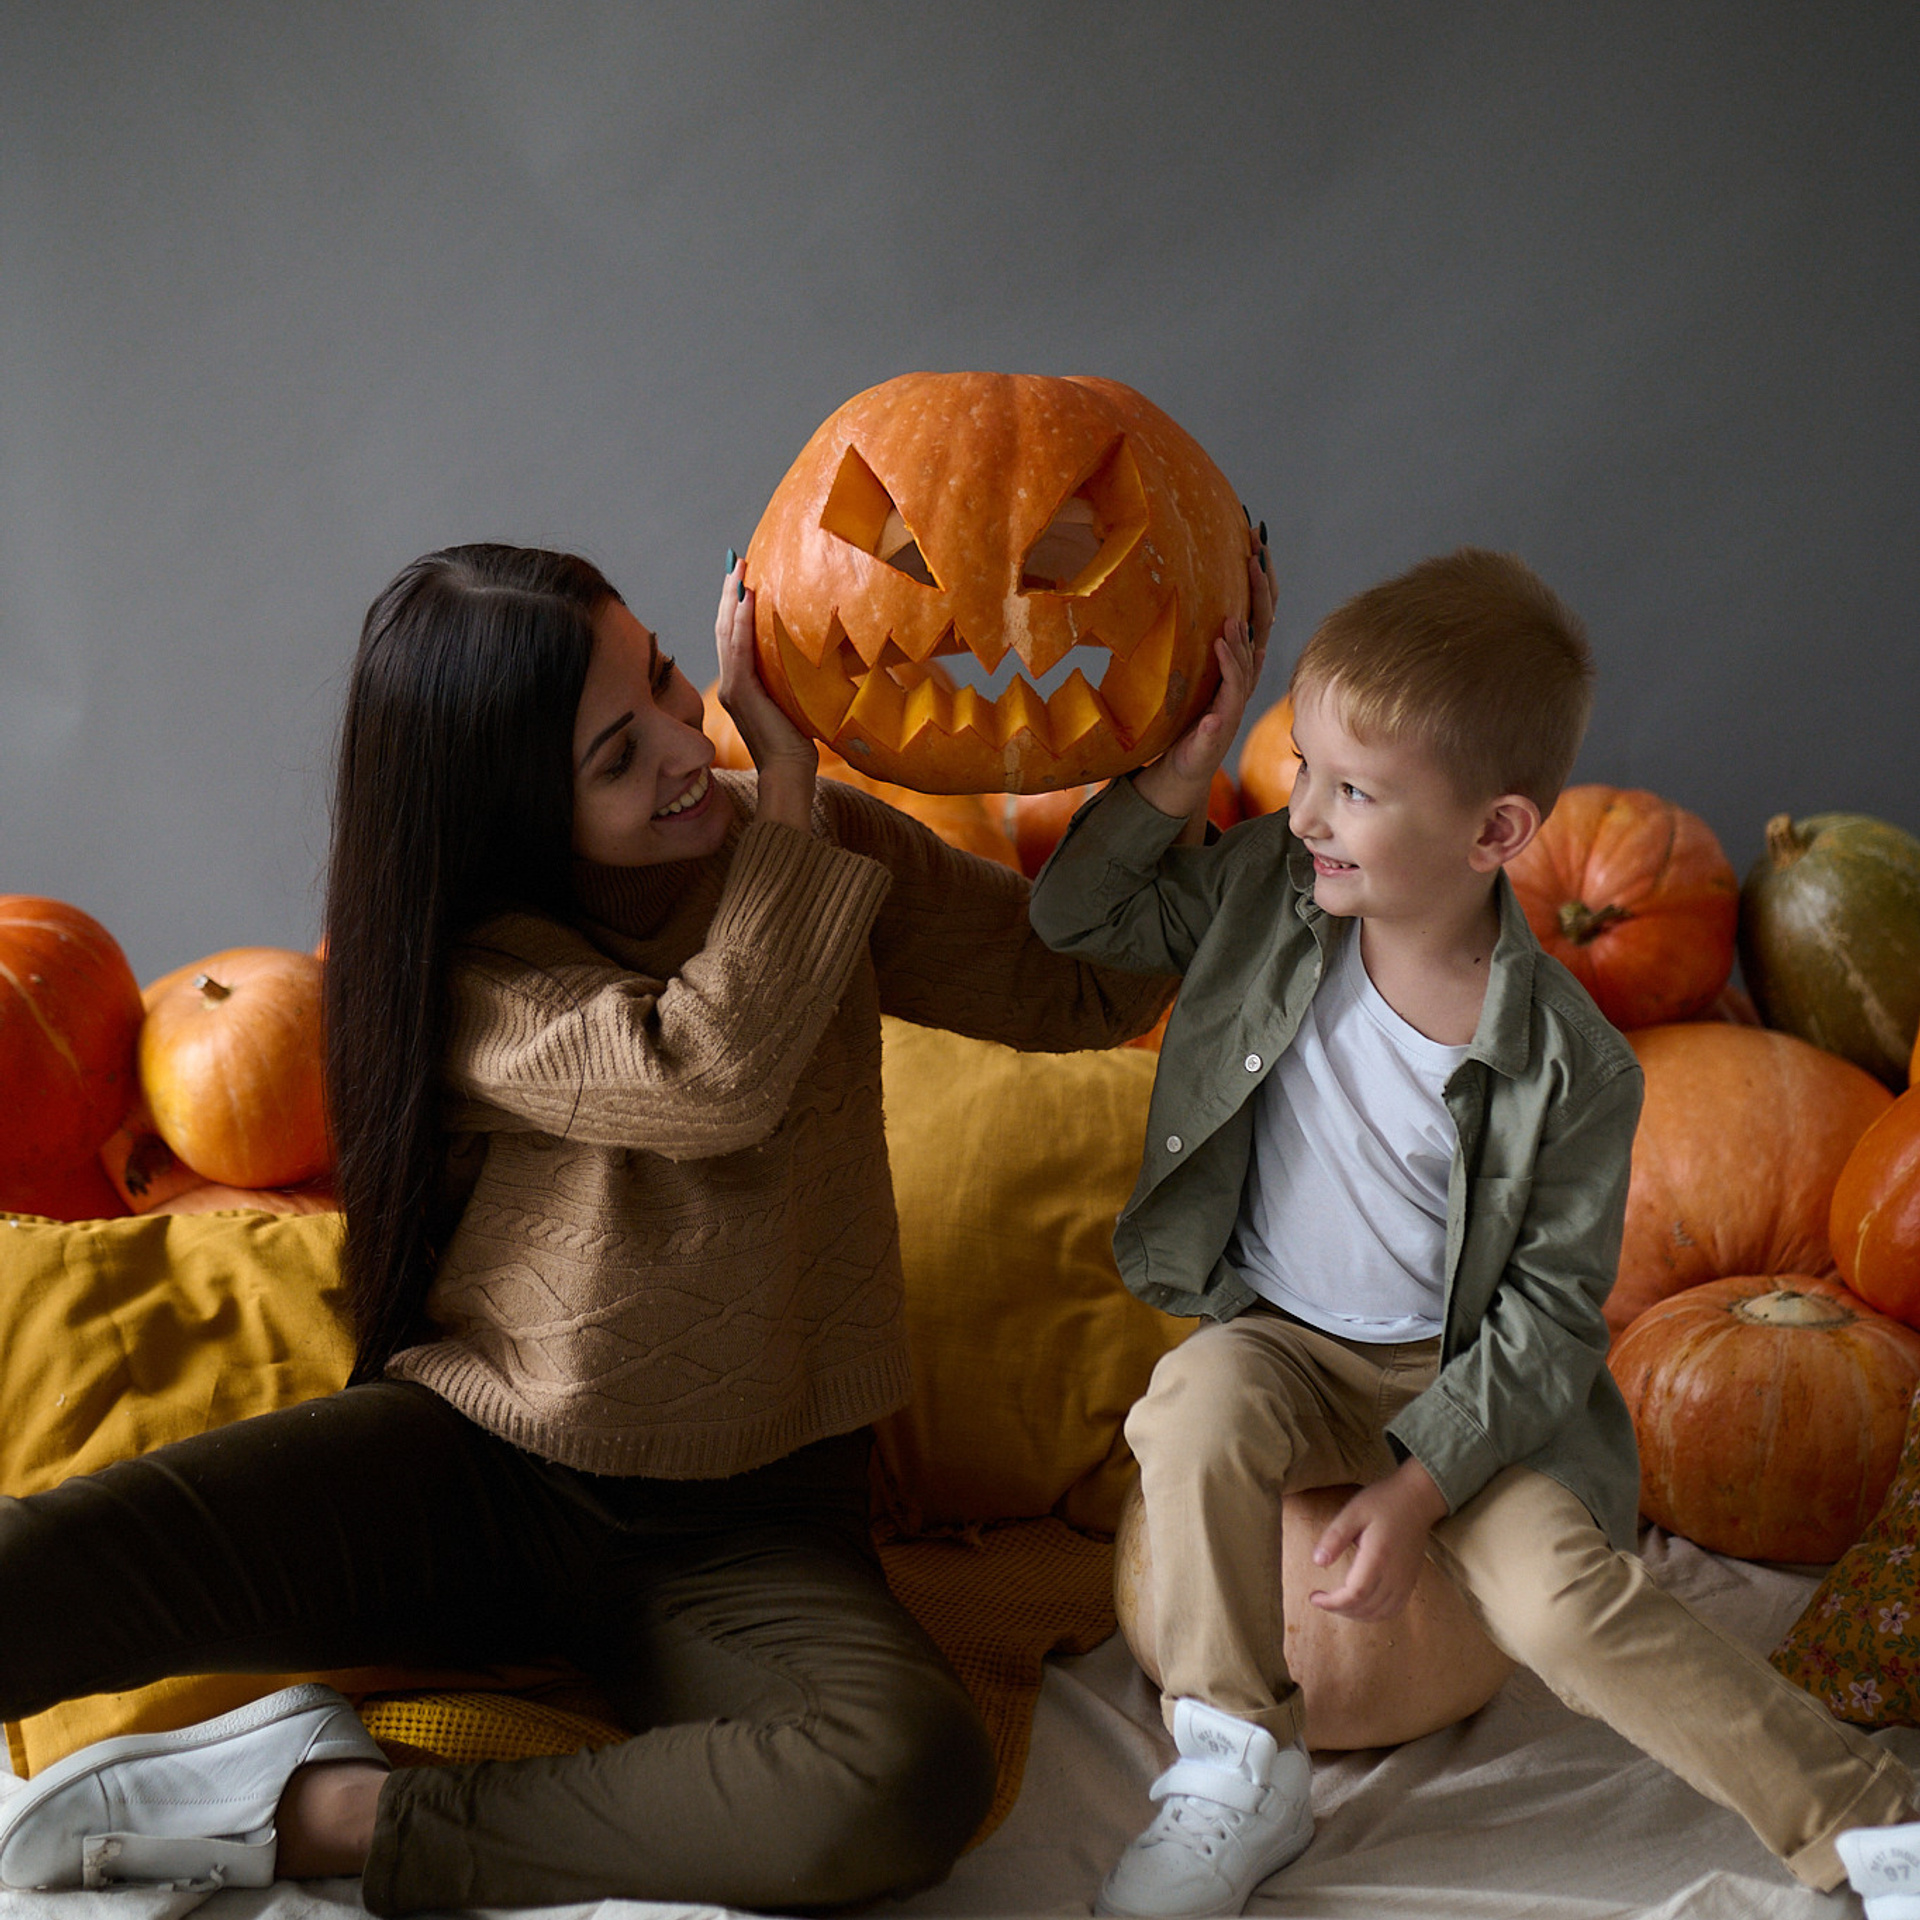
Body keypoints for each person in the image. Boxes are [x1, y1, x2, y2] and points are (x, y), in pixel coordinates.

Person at [0, 541, 1185, 1912]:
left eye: (672, 685)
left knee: (906, 1774)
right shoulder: (470, 964)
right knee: (41, 1564)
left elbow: (1076, 993)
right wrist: (794, 810)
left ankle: (325, 1814)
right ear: (509, 815)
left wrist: (1160, 786)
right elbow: (704, 1070)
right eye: (618, 758)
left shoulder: (811, 849)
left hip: (751, 1525)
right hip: (481, 1468)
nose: (690, 747)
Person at [1027, 547, 1920, 1920]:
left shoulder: (1575, 1065)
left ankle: (1870, 1827)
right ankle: (1237, 1758)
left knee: (1567, 1608)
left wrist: (1416, 1491)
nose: (1307, 811)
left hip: (1471, 1397)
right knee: (1192, 1404)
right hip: (1286, 1348)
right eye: (1306, 771)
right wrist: (1189, 753)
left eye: (1356, 793)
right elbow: (1073, 911)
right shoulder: (1271, 887)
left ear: (1495, 835)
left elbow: (1556, 1319)